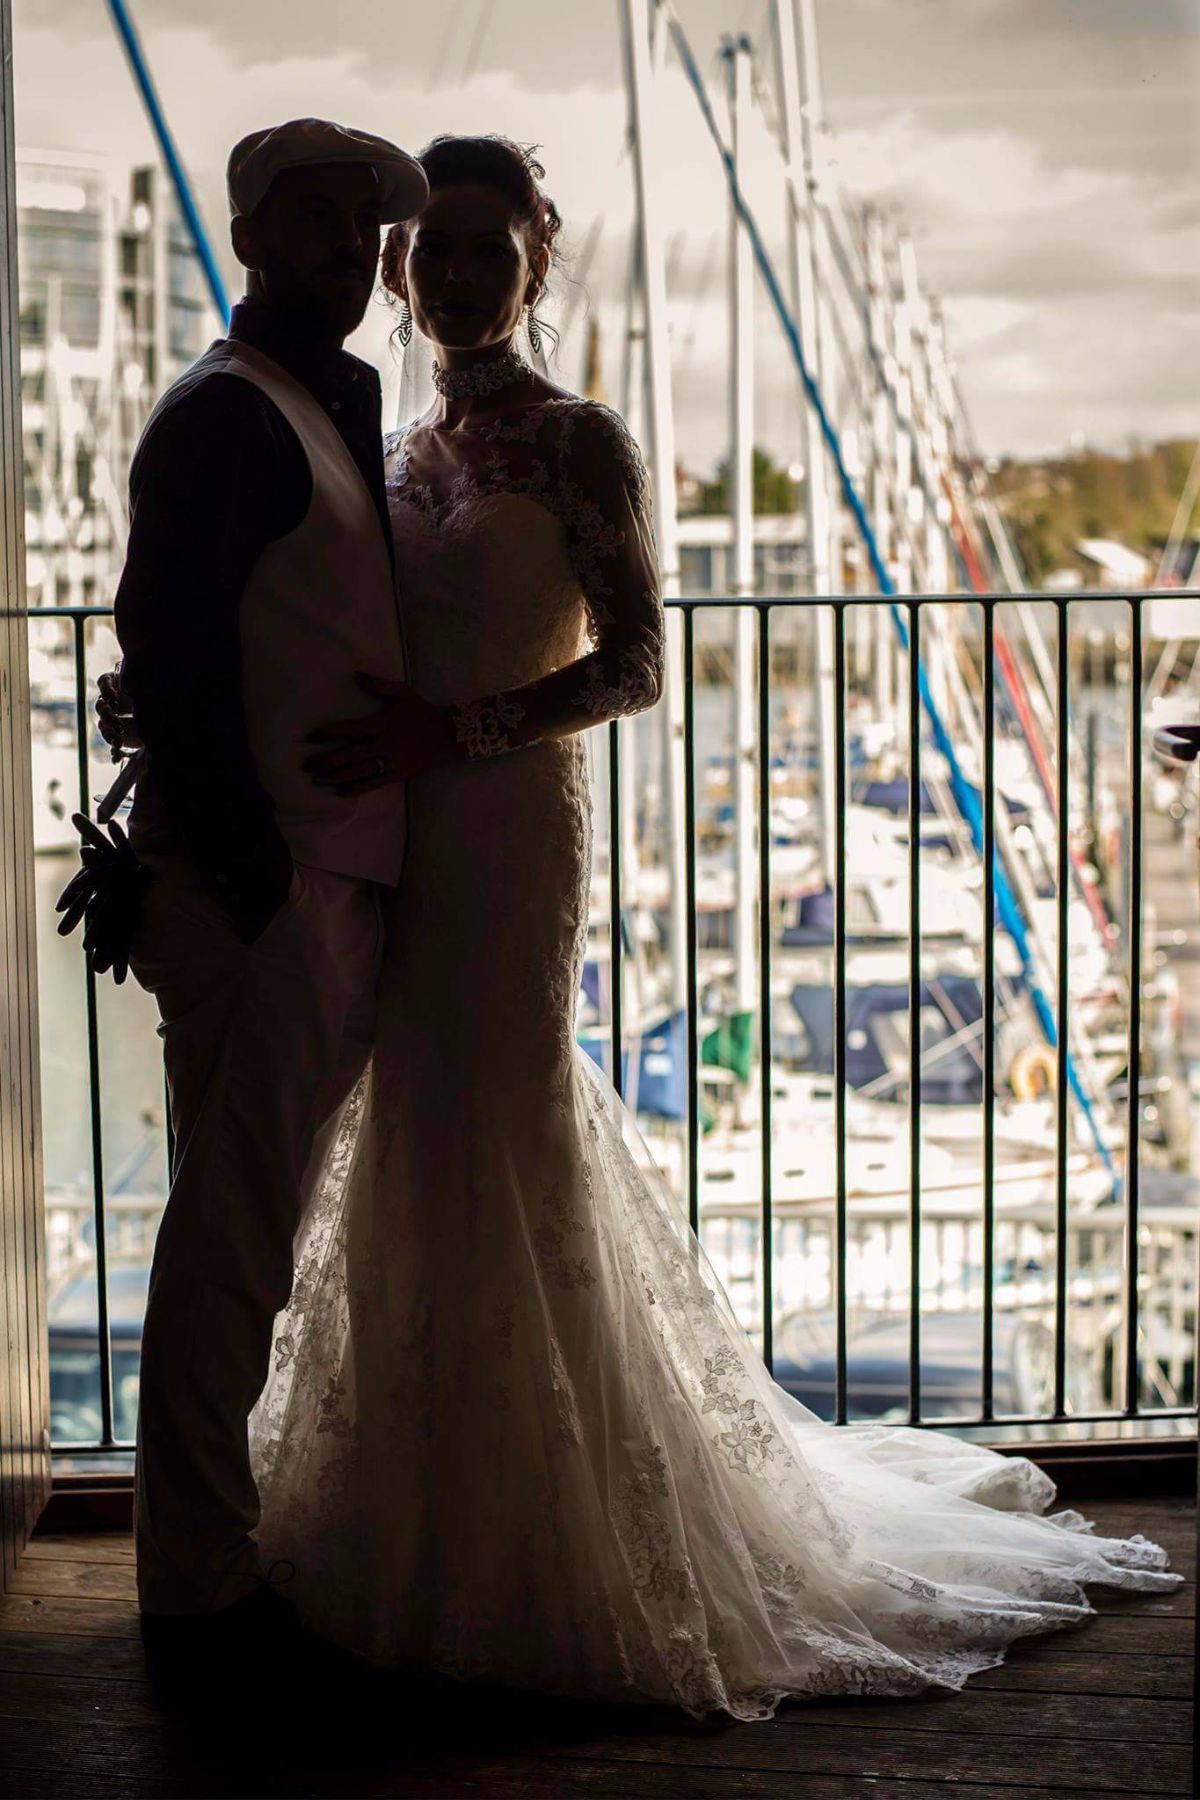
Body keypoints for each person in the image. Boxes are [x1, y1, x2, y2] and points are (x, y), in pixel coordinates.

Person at [245, 135, 1179, 1719]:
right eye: (437, 250)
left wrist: (452, 736)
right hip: (399, 841)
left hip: (509, 828)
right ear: (401, 274)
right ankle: (432, 1500)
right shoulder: (392, 443)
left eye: (490, 243)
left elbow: (636, 668)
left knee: (504, 1122)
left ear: (539, 253)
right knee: (416, 1129)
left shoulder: (580, 445)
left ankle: (557, 1527)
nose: (459, 273)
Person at [89, 118, 428, 1686]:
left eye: (363, 226)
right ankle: (198, 1586)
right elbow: (169, 657)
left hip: (309, 873)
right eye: (312, 221)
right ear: (246, 238)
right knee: (230, 1236)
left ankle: (205, 1551)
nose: (346, 247)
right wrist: (254, 878)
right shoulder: (224, 416)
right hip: (263, 882)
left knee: (245, 1225)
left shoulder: (321, 399)